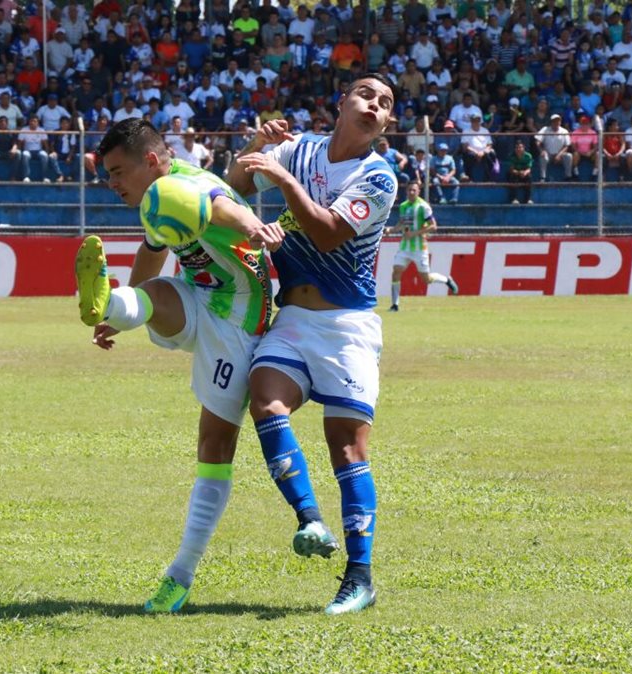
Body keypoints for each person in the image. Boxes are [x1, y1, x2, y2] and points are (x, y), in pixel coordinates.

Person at [74, 119, 283, 613]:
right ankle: (112, 304)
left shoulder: (182, 187)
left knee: (214, 445)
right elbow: (153, 253)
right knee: (155, 295)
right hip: (200, 299)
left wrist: (254, 226)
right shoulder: (159, 199)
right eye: (107, 175)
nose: (113, 184)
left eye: (118, 171)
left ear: (150, 161)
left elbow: (219, 203)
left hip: (239, 320)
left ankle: (181, 574)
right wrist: (121, 309)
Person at [227, 74, 397, 615]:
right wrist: (254, 149)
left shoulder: (379, 176)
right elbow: (234, 185)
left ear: (387, 123)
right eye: (367, 95)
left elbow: (326, 232)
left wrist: (279, 174)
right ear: (342, 103)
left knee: (346, 447)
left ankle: (360, 578)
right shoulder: (296, 149)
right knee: (265, 400)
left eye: (386, 104)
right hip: (294, 317)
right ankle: (309, 519)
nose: (375, 105)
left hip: (348, 326)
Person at [387, 181, 459, 311]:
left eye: (414, 190)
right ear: (406, 191)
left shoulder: (423, 206)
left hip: (419, 248)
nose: (412, 192)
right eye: (409, 190)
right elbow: (402, 223)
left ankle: (446, 280)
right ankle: (394, 305)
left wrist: (415, 233)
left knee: (426, 279)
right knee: (396, 272)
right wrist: (391, 230)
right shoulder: (403, 206)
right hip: (405, 247)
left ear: (418, 191)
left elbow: (433, 226)